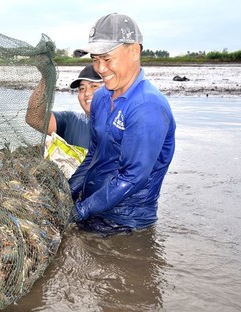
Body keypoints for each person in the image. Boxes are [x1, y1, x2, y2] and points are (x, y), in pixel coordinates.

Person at [68, 13, 176, 235]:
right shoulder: (101, 97)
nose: (99, 68)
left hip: (125, 222)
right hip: (92, 209)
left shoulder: (147, 107)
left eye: (107, 59)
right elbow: (94, 154)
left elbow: (132, 178)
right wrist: (68, 191)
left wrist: (80, 211)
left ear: (134, 51)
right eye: (94, 59)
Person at [26, 63, 103, 150]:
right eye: (82, 88)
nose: (87, 93)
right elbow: (34, 118)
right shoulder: (71, 121)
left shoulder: (120, 124)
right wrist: (47, 76)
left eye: (94, 86)